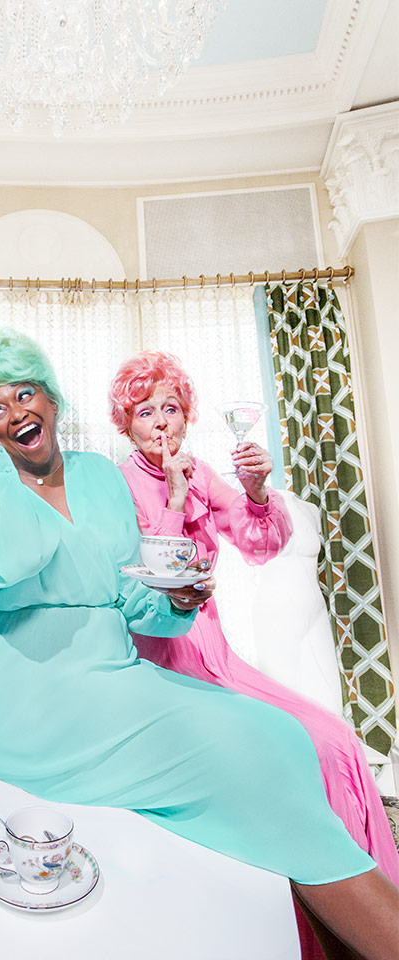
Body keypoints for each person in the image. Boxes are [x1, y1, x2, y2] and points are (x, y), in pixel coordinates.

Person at [0, 328, 398, 960]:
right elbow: (18, 555)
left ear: (51, 398)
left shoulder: (100, 476)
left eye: (27, 393)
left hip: (114, 675)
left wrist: (178, 602)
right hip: (22, 705)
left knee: (285, 737)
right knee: (255, 757)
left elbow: (131, 601)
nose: (18, 412)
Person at [109, 349, 399, 959]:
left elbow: (261, 544)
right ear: (126, 423)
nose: (160, 422)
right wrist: (174, 495)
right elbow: (144, 572)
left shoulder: (203, 469)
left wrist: (255, 487)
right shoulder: (116, 481)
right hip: (158, 661)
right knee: (288, 749)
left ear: (186, 417)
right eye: (144, 412)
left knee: (334, 740)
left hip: (216, 655)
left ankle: (355, 918)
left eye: (170, 408)